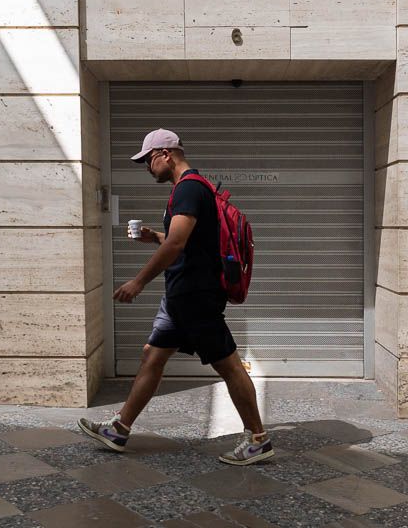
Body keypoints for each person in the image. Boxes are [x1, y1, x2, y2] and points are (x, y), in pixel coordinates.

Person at [78, 128, 274, 466]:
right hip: (180, 295)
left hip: (196, 297)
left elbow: (178, 244)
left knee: (228, 365)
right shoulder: (191, 189)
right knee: (151, 357)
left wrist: (138, 281)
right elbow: (183, 240)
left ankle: (258, 438)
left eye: (148, 160)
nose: (147, 168)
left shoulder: (189, 188)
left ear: (165, 154)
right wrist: (155, 236)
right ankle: (119, 429)